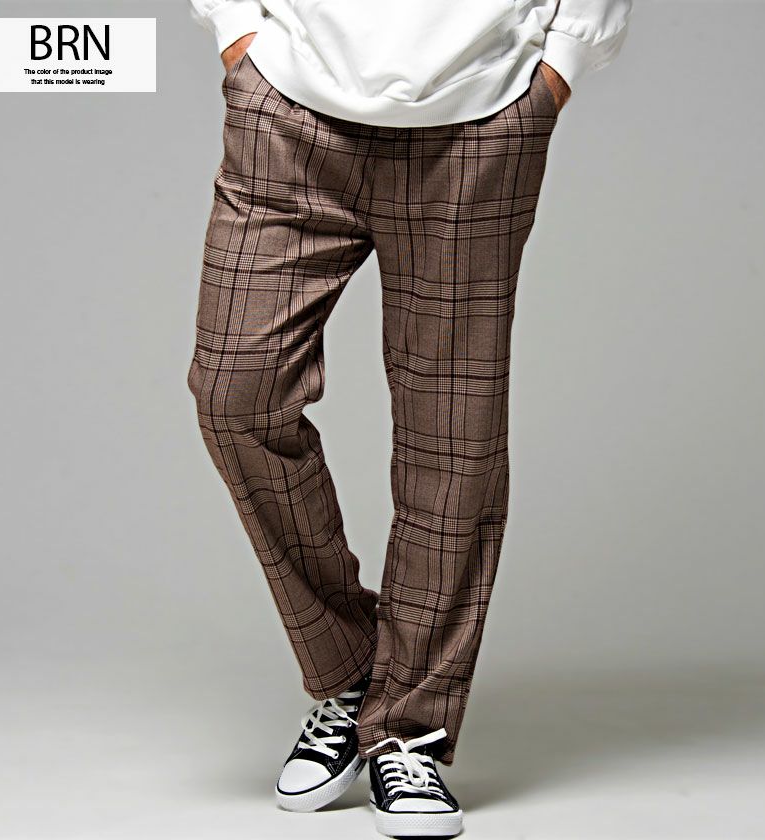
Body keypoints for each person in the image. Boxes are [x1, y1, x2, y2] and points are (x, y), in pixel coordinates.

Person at [187, 1, 633, 836]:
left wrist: (562, 63)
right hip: (289, 105)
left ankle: (408, 726)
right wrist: (236, 29)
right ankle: (353, 668)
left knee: (452, 435)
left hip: (480, 118)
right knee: (235, 392)